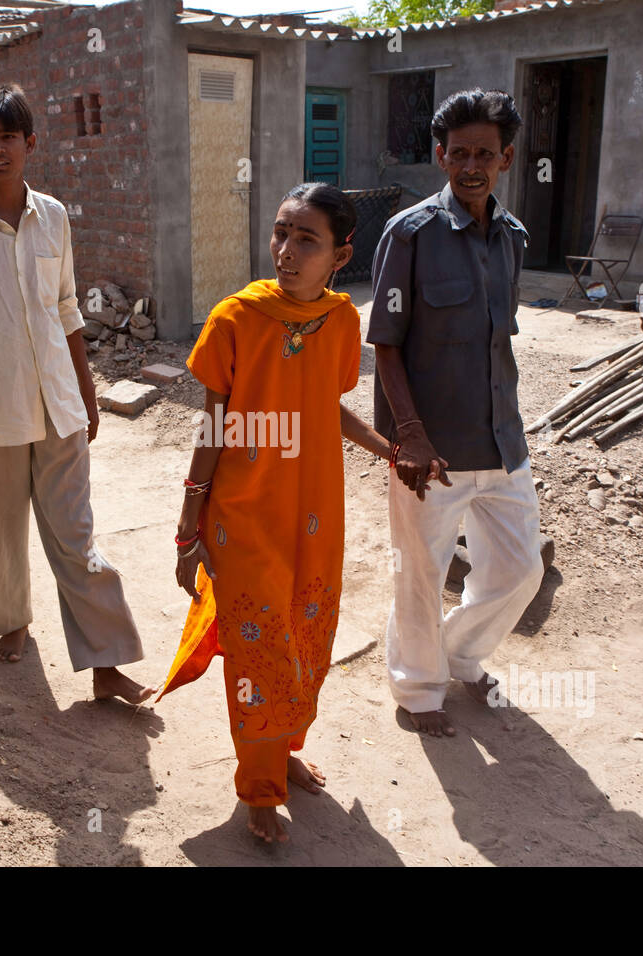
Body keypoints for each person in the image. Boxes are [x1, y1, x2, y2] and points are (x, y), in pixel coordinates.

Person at [159, 184, 390, 844]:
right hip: (244, 517)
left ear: (340, 254)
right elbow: (211, 427)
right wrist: (188, 528)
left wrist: (385, 447)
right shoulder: (235, 319)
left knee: (306, 640)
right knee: (259, 652)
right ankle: (257, 785)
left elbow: (325, 405)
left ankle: (283, 751)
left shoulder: (344, 322)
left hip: (314, 515)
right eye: (281, 233)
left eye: (306, 240)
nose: (286, 251)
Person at [0, 83, 151, 705]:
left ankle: (106, 663)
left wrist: (88, 390)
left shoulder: (55, 216)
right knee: (2, 527)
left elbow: (67, 309)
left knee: (75, 533)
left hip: (59, 403)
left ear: (29, 144)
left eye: (8, 138)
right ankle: (11, 621)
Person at [367, 89, 545, 739]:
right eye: (459, 152)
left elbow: (499, 342)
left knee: (521, 568)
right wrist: (406, 434)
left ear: (507, 159)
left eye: (486, 153)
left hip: (502, 440)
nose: (472, 164)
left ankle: (460, 655)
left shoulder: (513, 239)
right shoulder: (407, 234)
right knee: (420, 574)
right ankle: (418, 692)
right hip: (428, 449)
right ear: (441, 156)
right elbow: (385, 342)